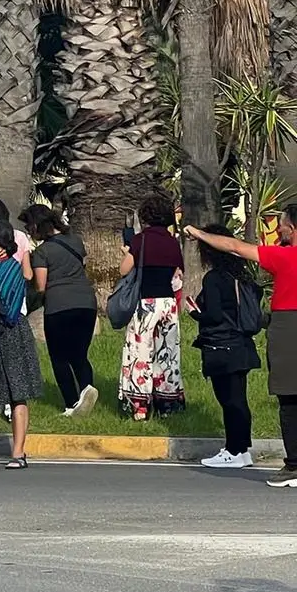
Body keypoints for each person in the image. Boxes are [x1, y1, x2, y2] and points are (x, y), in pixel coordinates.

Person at [184, 214, 297, 482]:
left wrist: (198, 233)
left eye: (282, 223)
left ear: (292, 228)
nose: (277, 228)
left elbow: (235, 247)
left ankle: (293, 465)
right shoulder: (248, 277)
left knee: (289, 398)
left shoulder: (285, 257)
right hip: (248, 341)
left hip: (286, 325)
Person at [185, 226, 260, 468]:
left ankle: (233, 450)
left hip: (221, 345)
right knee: (239, 399)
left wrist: (196, 313)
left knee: (228, 400)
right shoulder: (243, 277)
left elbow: (214, 315)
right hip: (242, 344)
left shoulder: (214, 278)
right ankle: (242, 449)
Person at [18, 205, 98, 416]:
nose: (28, 231)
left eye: (29, 226)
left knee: (59, 357)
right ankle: (87, 393)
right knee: (79, 355)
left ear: (36, 226)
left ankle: (71, 404)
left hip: (59, 306)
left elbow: (41, 286)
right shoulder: (76, 241)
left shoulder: (42, 252)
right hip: (87, 304)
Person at [0, 220, 40, 468]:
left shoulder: (10, 267)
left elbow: (0, 304)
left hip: (10, 333)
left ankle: (18, 452)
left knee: (17, 393)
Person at [119, 193, 186, 420]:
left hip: (146, 302)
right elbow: (178, 271)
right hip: (168, 302)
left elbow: (124, 270)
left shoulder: (141, 240)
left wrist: (127, 252)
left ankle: (139, 404)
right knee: (167, 353)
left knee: (139, 352)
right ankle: (167, 402)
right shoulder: (172, 242)